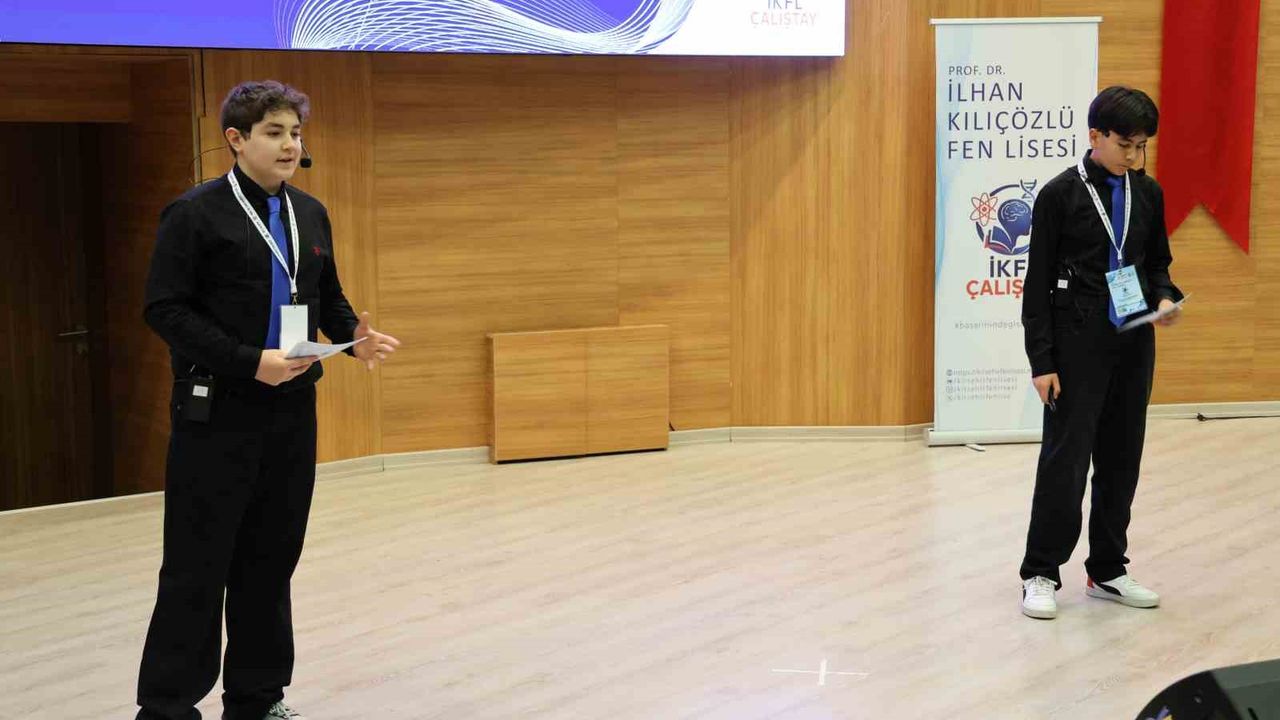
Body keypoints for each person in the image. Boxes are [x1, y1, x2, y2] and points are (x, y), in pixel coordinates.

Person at [137, 80, 401, 718]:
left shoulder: (309, 212)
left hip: (290, 410)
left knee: (270, 559)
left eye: (296, 133)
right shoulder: (194, 214)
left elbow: (325, 295)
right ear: (236, 139)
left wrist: (353, 338)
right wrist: (249, 360)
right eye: (275, 133)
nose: (290, 146)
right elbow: (164, 309)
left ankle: (257, 699)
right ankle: (168, 708)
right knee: (199, 566)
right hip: (217, 410)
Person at [1018, 86, 1183, 620]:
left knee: (1121, 458)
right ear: (1095, 136)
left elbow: (1157, 264)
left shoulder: (1148, 193)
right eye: (1125, 145)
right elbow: (1036, 285)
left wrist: (1164, 298)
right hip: (1076, 342)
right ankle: (1041, 571)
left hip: (1133, 342)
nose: (1134, 156)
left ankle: (1107, 569)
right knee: (1065, 462)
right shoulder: (1059, 195)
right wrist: (1042, 361)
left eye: (1142, 147)